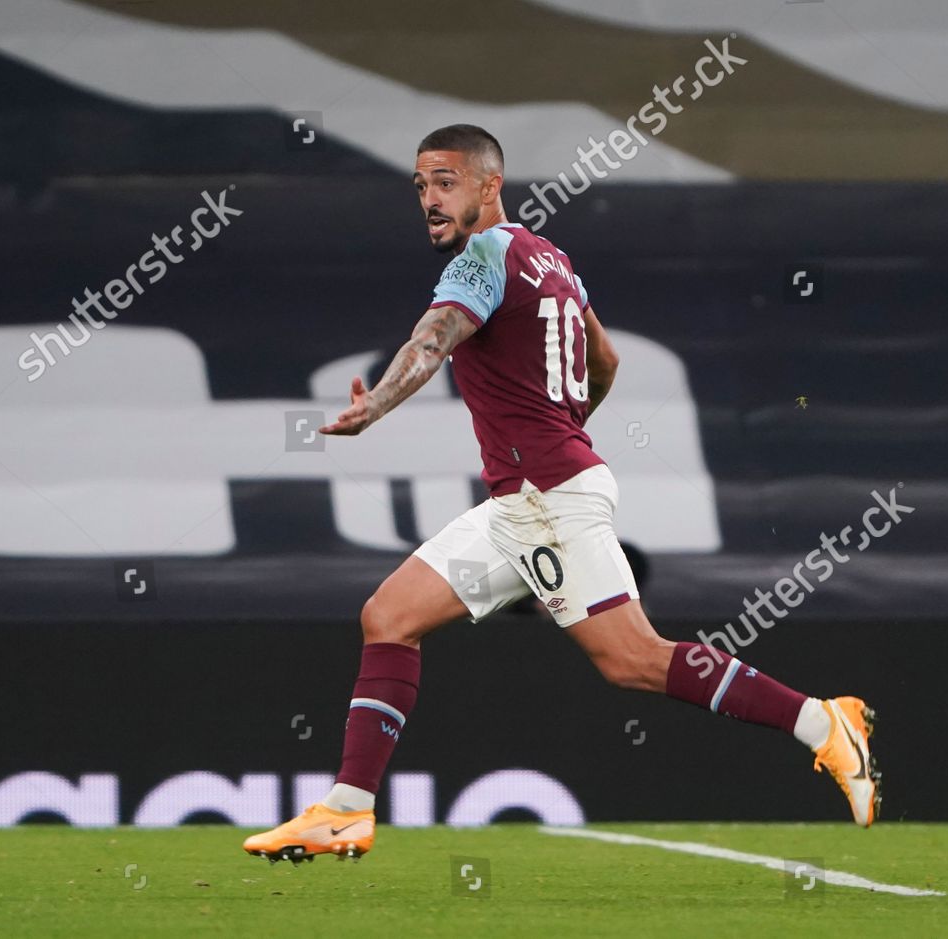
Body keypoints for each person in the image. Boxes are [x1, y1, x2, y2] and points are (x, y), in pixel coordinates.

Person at [242, 125, 879, 864]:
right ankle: (345, 811)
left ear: (489, 185)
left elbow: (434, 336)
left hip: (546, 499)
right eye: (419, 185)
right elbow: (603, 359)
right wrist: (564, 424)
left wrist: (377, 404)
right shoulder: (550, 259)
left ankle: (822, 722)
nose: (429, 199)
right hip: (530, 495)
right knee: (388, 615)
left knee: (633, 658)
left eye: (445, 181)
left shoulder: (482, 257)